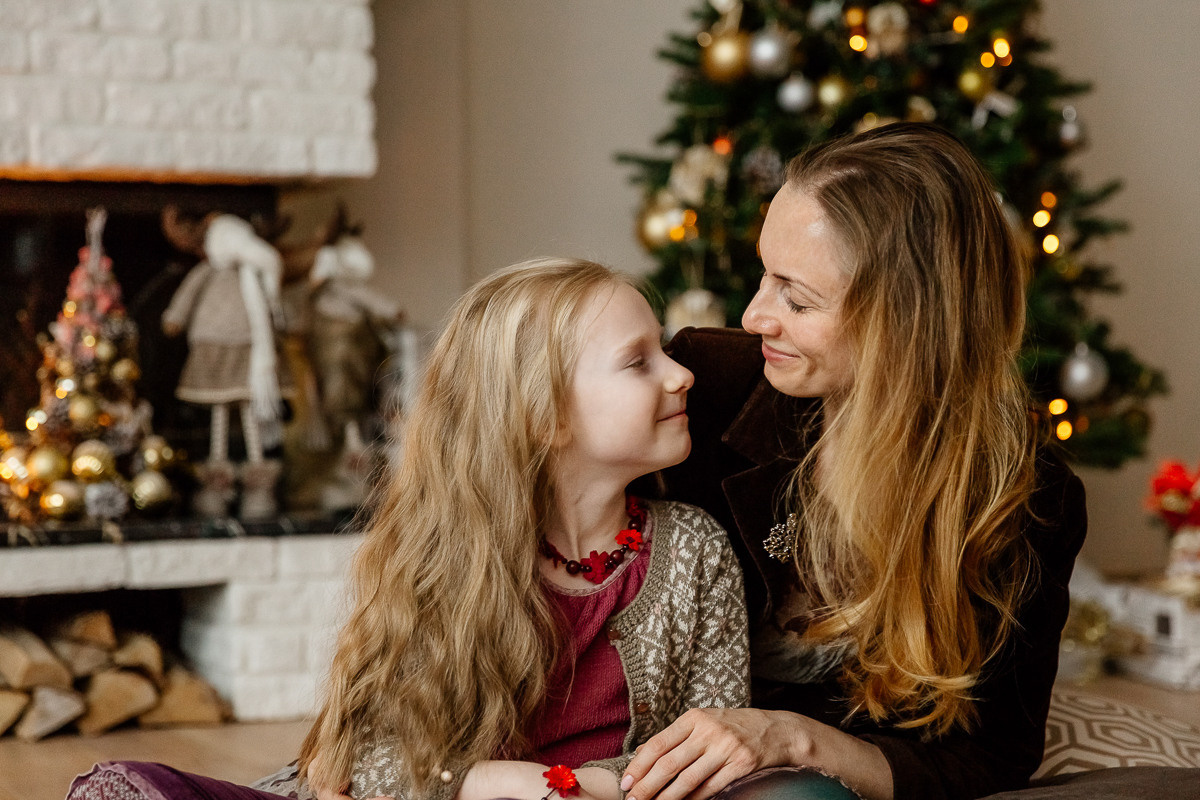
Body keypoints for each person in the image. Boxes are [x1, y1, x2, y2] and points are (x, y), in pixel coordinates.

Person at [68, 258, 752, 800]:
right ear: (543, 417)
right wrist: (479, 783)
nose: (682, 373)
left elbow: (710, 751)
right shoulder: (452, 553)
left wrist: (557, 790)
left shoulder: (694, 550)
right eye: (640, 362)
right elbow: (365, 760)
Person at [618, 122, 1089, 800]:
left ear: (905, 321)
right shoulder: (704, 385)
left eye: (796, 297)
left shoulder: (1027, 499)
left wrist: (793, 740)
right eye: (763, 275)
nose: (754, 316)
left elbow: (991, 755)